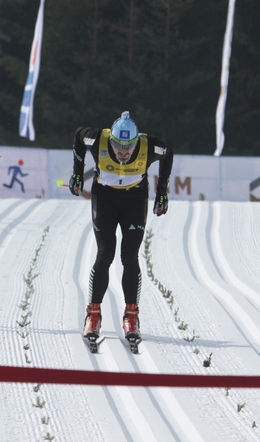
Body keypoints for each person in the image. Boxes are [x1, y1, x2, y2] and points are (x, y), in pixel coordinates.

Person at [69, 111, 173, 349]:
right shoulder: (97, 139)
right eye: (118, 146)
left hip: (134, 200)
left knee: (129, 256)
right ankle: (93, 315)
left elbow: (169, 153)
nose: (123, 151)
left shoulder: (150, 146)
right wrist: (77, 172)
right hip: (104, 198)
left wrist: (162, 192)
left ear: (137, 141)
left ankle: (131, 316)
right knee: (104, 254)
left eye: (128, 147)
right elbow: (77, 137)